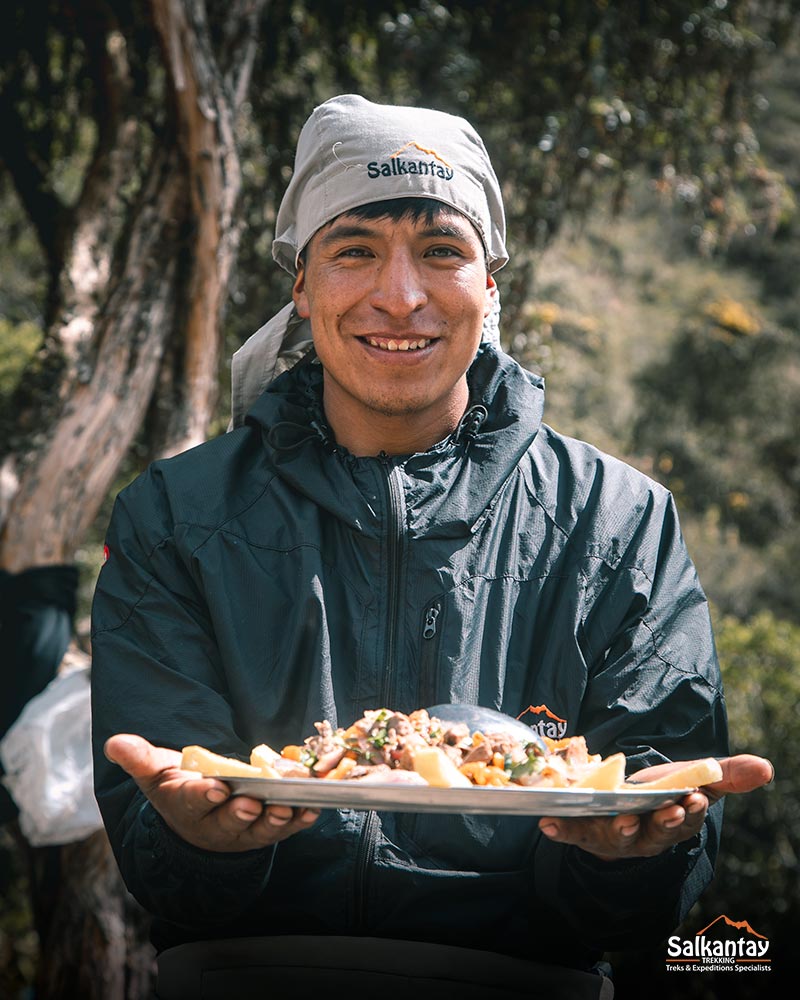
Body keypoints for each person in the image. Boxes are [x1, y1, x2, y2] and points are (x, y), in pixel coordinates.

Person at [91, 95, 772, 993]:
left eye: (442, 251)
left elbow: (649, 889)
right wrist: (198, 839)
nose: (400, 296)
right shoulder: (175, 517)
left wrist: (624, 857)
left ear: (491, 284)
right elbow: (163, 863)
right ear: (300, 283)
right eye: (355, 250)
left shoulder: (619, 522)